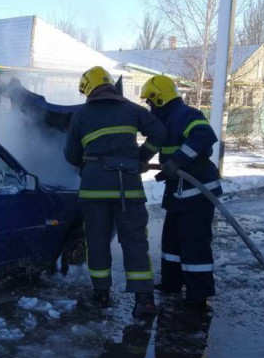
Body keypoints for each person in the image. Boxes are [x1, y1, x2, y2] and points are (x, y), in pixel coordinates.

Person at [64, 66, 167, 317]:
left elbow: (70, 155)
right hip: (128, 189)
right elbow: (159, 132)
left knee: (97, 242)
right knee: (135, 242)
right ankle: (144, 300)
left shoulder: (82, 115)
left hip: (94, 191)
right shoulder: (131, 109)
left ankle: (101, 295)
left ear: (88, 88)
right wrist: (142, 157)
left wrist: (88, 163)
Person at [139, 75, 221, 310]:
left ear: (159, 98)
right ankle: (171, 284)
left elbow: (205, 137)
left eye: (150, 101)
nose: (149, 106)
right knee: (172, 241)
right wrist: (140, 159)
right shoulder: (164, 120)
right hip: (178, 191)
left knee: (194, 242)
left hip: (197, 190)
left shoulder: (187, 115)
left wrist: (177, 161)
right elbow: (154, 145)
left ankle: (198, 295)